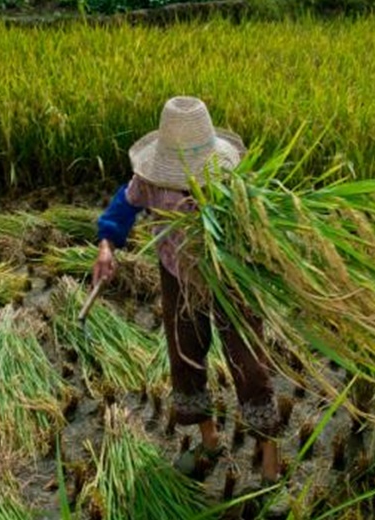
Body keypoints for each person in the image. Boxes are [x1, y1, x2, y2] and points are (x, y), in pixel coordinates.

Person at [92, 96, 283, 485]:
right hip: (177, 276)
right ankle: (209, 440)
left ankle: (269, 459)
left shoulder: (231, 181)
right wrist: (106, 247)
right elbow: (122, 207)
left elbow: (261, 229)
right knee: (185, 354)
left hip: (229, 278)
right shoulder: (149, 181)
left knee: (249, 361)